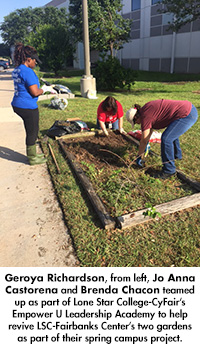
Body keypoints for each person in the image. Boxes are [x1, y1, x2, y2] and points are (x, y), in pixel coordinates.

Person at [126, 99, 198, 179]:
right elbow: (148, 134)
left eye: (136, 122)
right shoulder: (145, 110)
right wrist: (145, 146)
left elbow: (143, 141)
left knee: (166, 139)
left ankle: (169, 170)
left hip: (186, 114)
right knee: (171, 134)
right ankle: (176, 156)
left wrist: (138, 156)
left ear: (136, 117)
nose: (138, 124)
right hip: (188, 109)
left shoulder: (145, 116)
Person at [11, 43, 56, 165]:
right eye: (34, 60)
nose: (35, 62)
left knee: (31, 129)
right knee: (32, 131)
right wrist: (45, 89)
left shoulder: (17, 69)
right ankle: (32, 158)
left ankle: (33, 154)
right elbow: (35, 92)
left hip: (17, 103)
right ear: (28, 59)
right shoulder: (27, 72)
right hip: (27, 106)